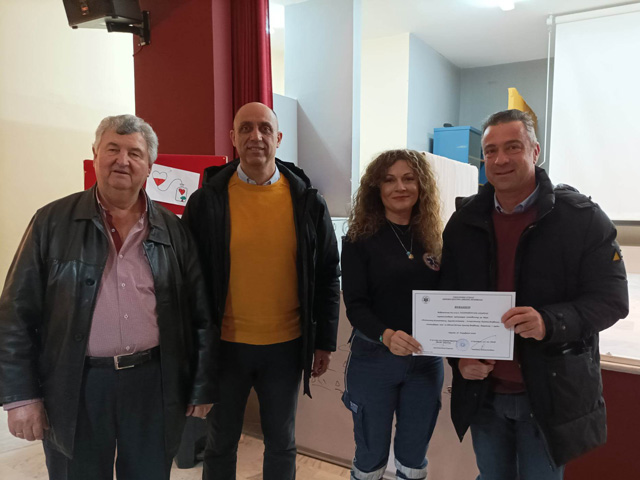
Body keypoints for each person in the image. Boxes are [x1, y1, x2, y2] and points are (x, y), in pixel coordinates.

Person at [0, 114, 219, 480]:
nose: (123, 160)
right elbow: (14, 314)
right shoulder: (51, 223)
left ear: (150, 166)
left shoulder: (173, 231)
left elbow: (201, 316)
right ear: (95, 155)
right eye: (113, 149)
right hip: (76, 384)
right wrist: (20, 396)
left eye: (135, 153)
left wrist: (200, 386)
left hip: (154, 384)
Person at [439, 109, 629, 479]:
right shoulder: (463, 222)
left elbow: (612, 300)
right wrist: (458, 358)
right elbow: (448, 299)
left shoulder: (582, 218)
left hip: (550, 393)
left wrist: (549, 322)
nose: (500, 159)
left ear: (535, 151)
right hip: (484, 394)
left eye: (513, 147)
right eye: (491, 151)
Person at [182, 101, 340, 480]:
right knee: (220, 443)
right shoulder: (207, 201)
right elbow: (187, 279)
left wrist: (324, 341)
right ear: (233, 137)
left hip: (286, 348)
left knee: (282, 442)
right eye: (246, 128)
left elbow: (327, 274)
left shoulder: (307, 202)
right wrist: (192, 347)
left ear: (278, 138)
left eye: (265, 128)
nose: (256, 136)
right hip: (225, 348)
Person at [341, 149, 445, 480]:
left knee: (414, 457)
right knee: (370, 455)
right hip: (374, 359)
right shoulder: (358, 240)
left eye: (409, 178)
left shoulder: (435, 238)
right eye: (389, 180)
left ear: (421, 186)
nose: (400, 187)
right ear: (377, 188)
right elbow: (355, 305)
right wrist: (386, 335)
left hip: (425, 362)